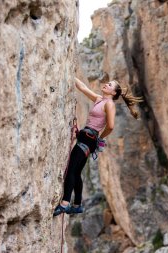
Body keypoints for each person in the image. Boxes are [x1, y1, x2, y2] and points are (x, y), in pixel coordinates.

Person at [53, 77, 142, 216]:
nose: (107, 84)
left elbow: (111, 126)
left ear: (113, 92)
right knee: (76, 172)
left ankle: (64, 203)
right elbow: (83, 88)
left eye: (110, 84)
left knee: (71, 169)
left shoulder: (109, 104)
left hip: (89, 139)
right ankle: (77, 205)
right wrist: (71, 74)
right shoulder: (100, 99)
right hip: (86, 137)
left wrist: (100, 138)